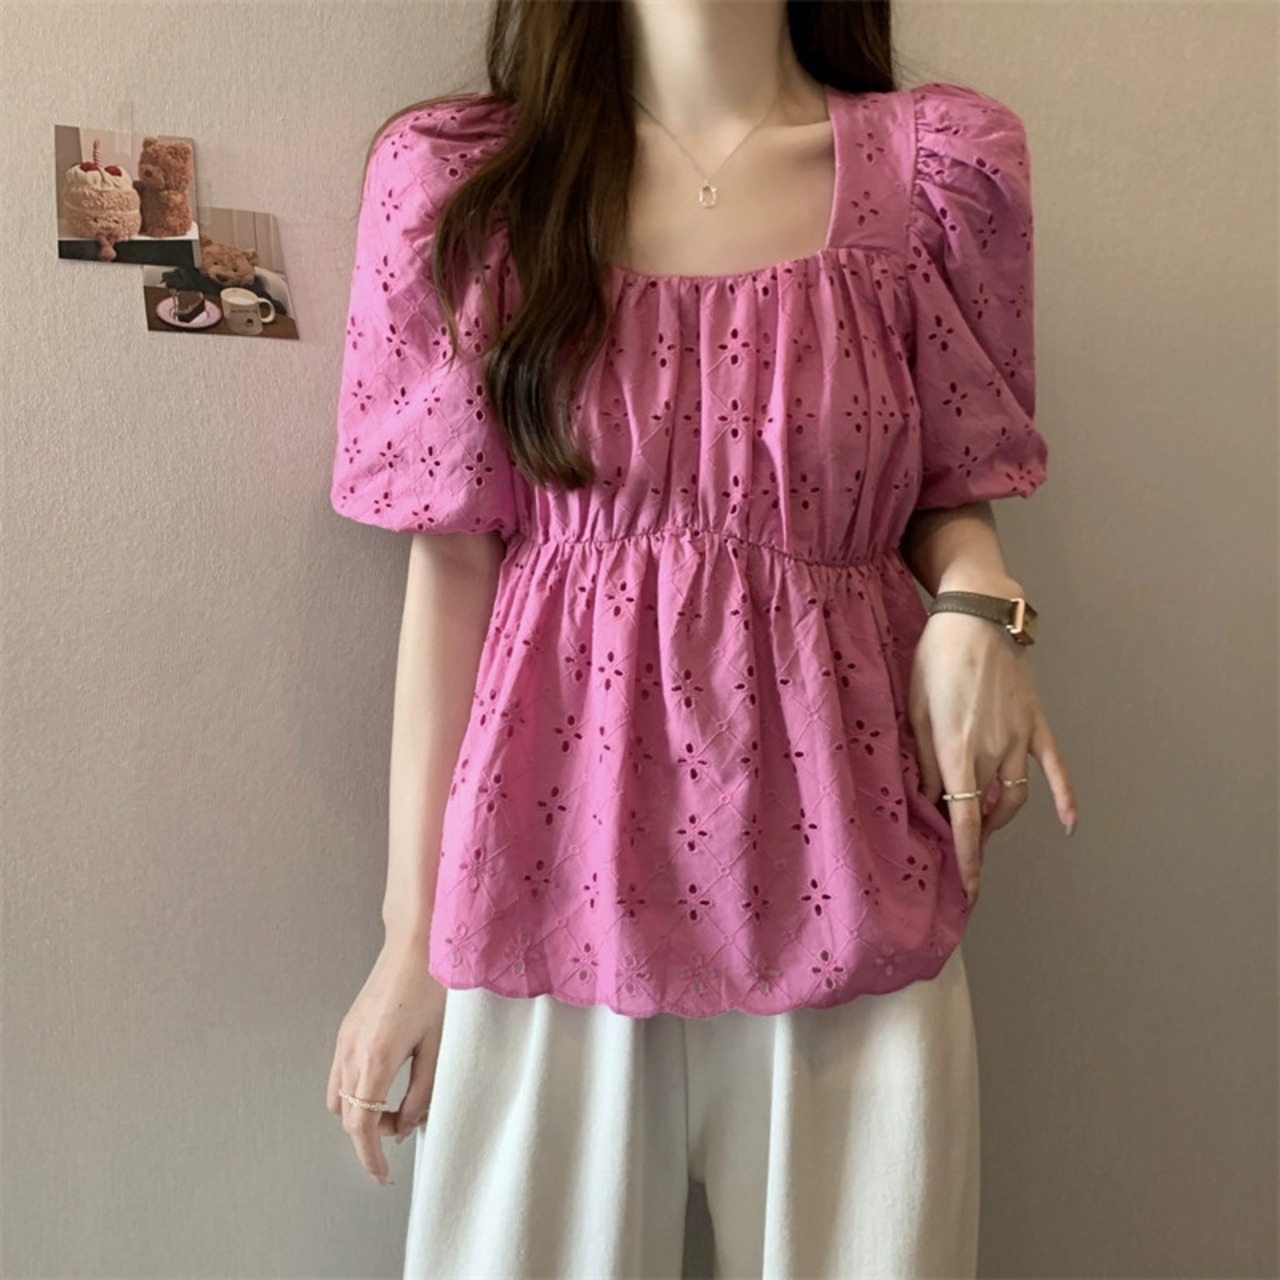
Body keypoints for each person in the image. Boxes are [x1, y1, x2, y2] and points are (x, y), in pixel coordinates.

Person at [325, 0, 1078, 1275]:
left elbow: (950, 490)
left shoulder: (935, 179)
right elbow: (450, 560)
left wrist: (978, 606)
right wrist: (411, 935)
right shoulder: (472, 186)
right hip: (545, 875)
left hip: (848, 874)